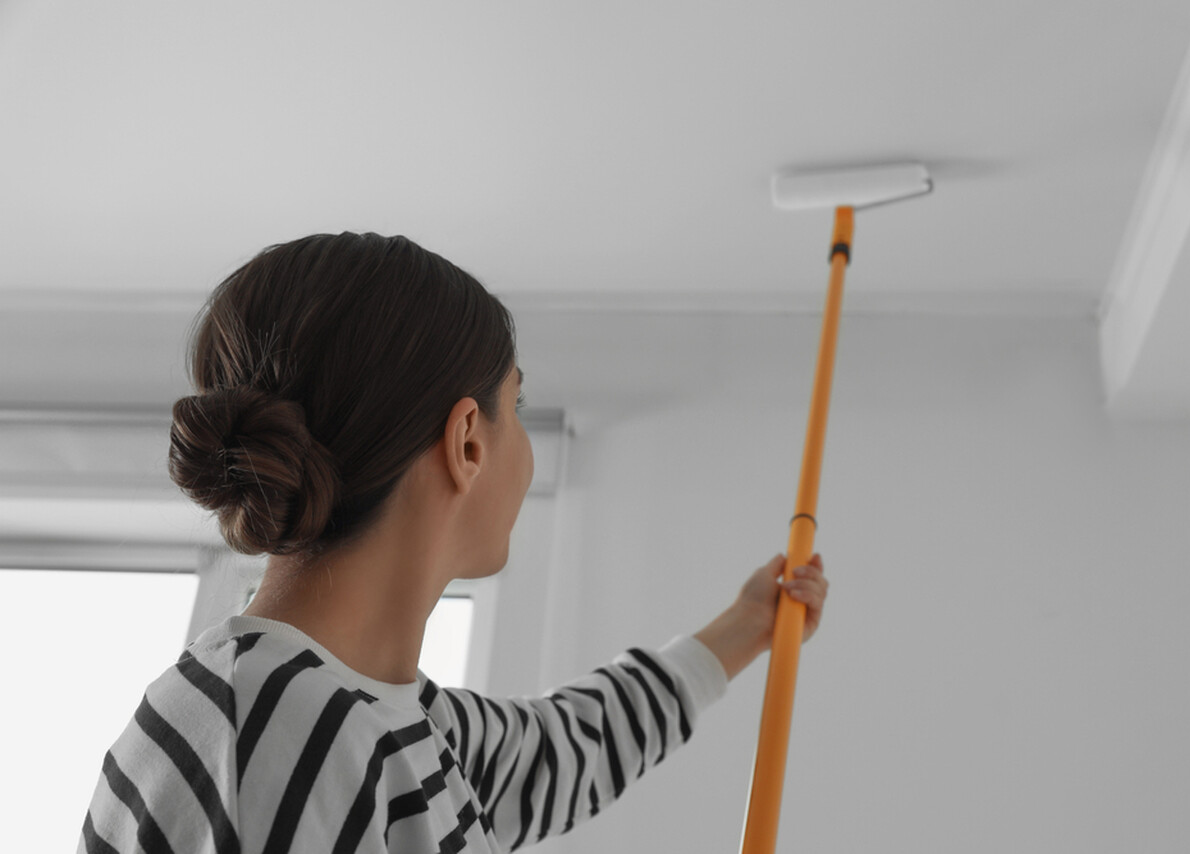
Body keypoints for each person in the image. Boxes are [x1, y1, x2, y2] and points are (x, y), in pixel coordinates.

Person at [78, 232, 829, 854]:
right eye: (519, 404)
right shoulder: (285, 728)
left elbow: (564, 751)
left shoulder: (385, 721)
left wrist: (747, 627)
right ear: (468, 441)